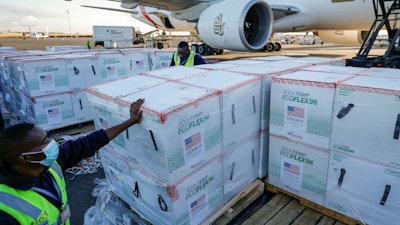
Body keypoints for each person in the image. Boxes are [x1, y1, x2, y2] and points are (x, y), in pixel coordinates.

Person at [0, 99, 145, 225]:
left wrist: (130, 121)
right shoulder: (6, 207)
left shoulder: (52, 164)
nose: (53, 143)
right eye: (45, 142)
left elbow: (92, 141)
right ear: (26, 157)